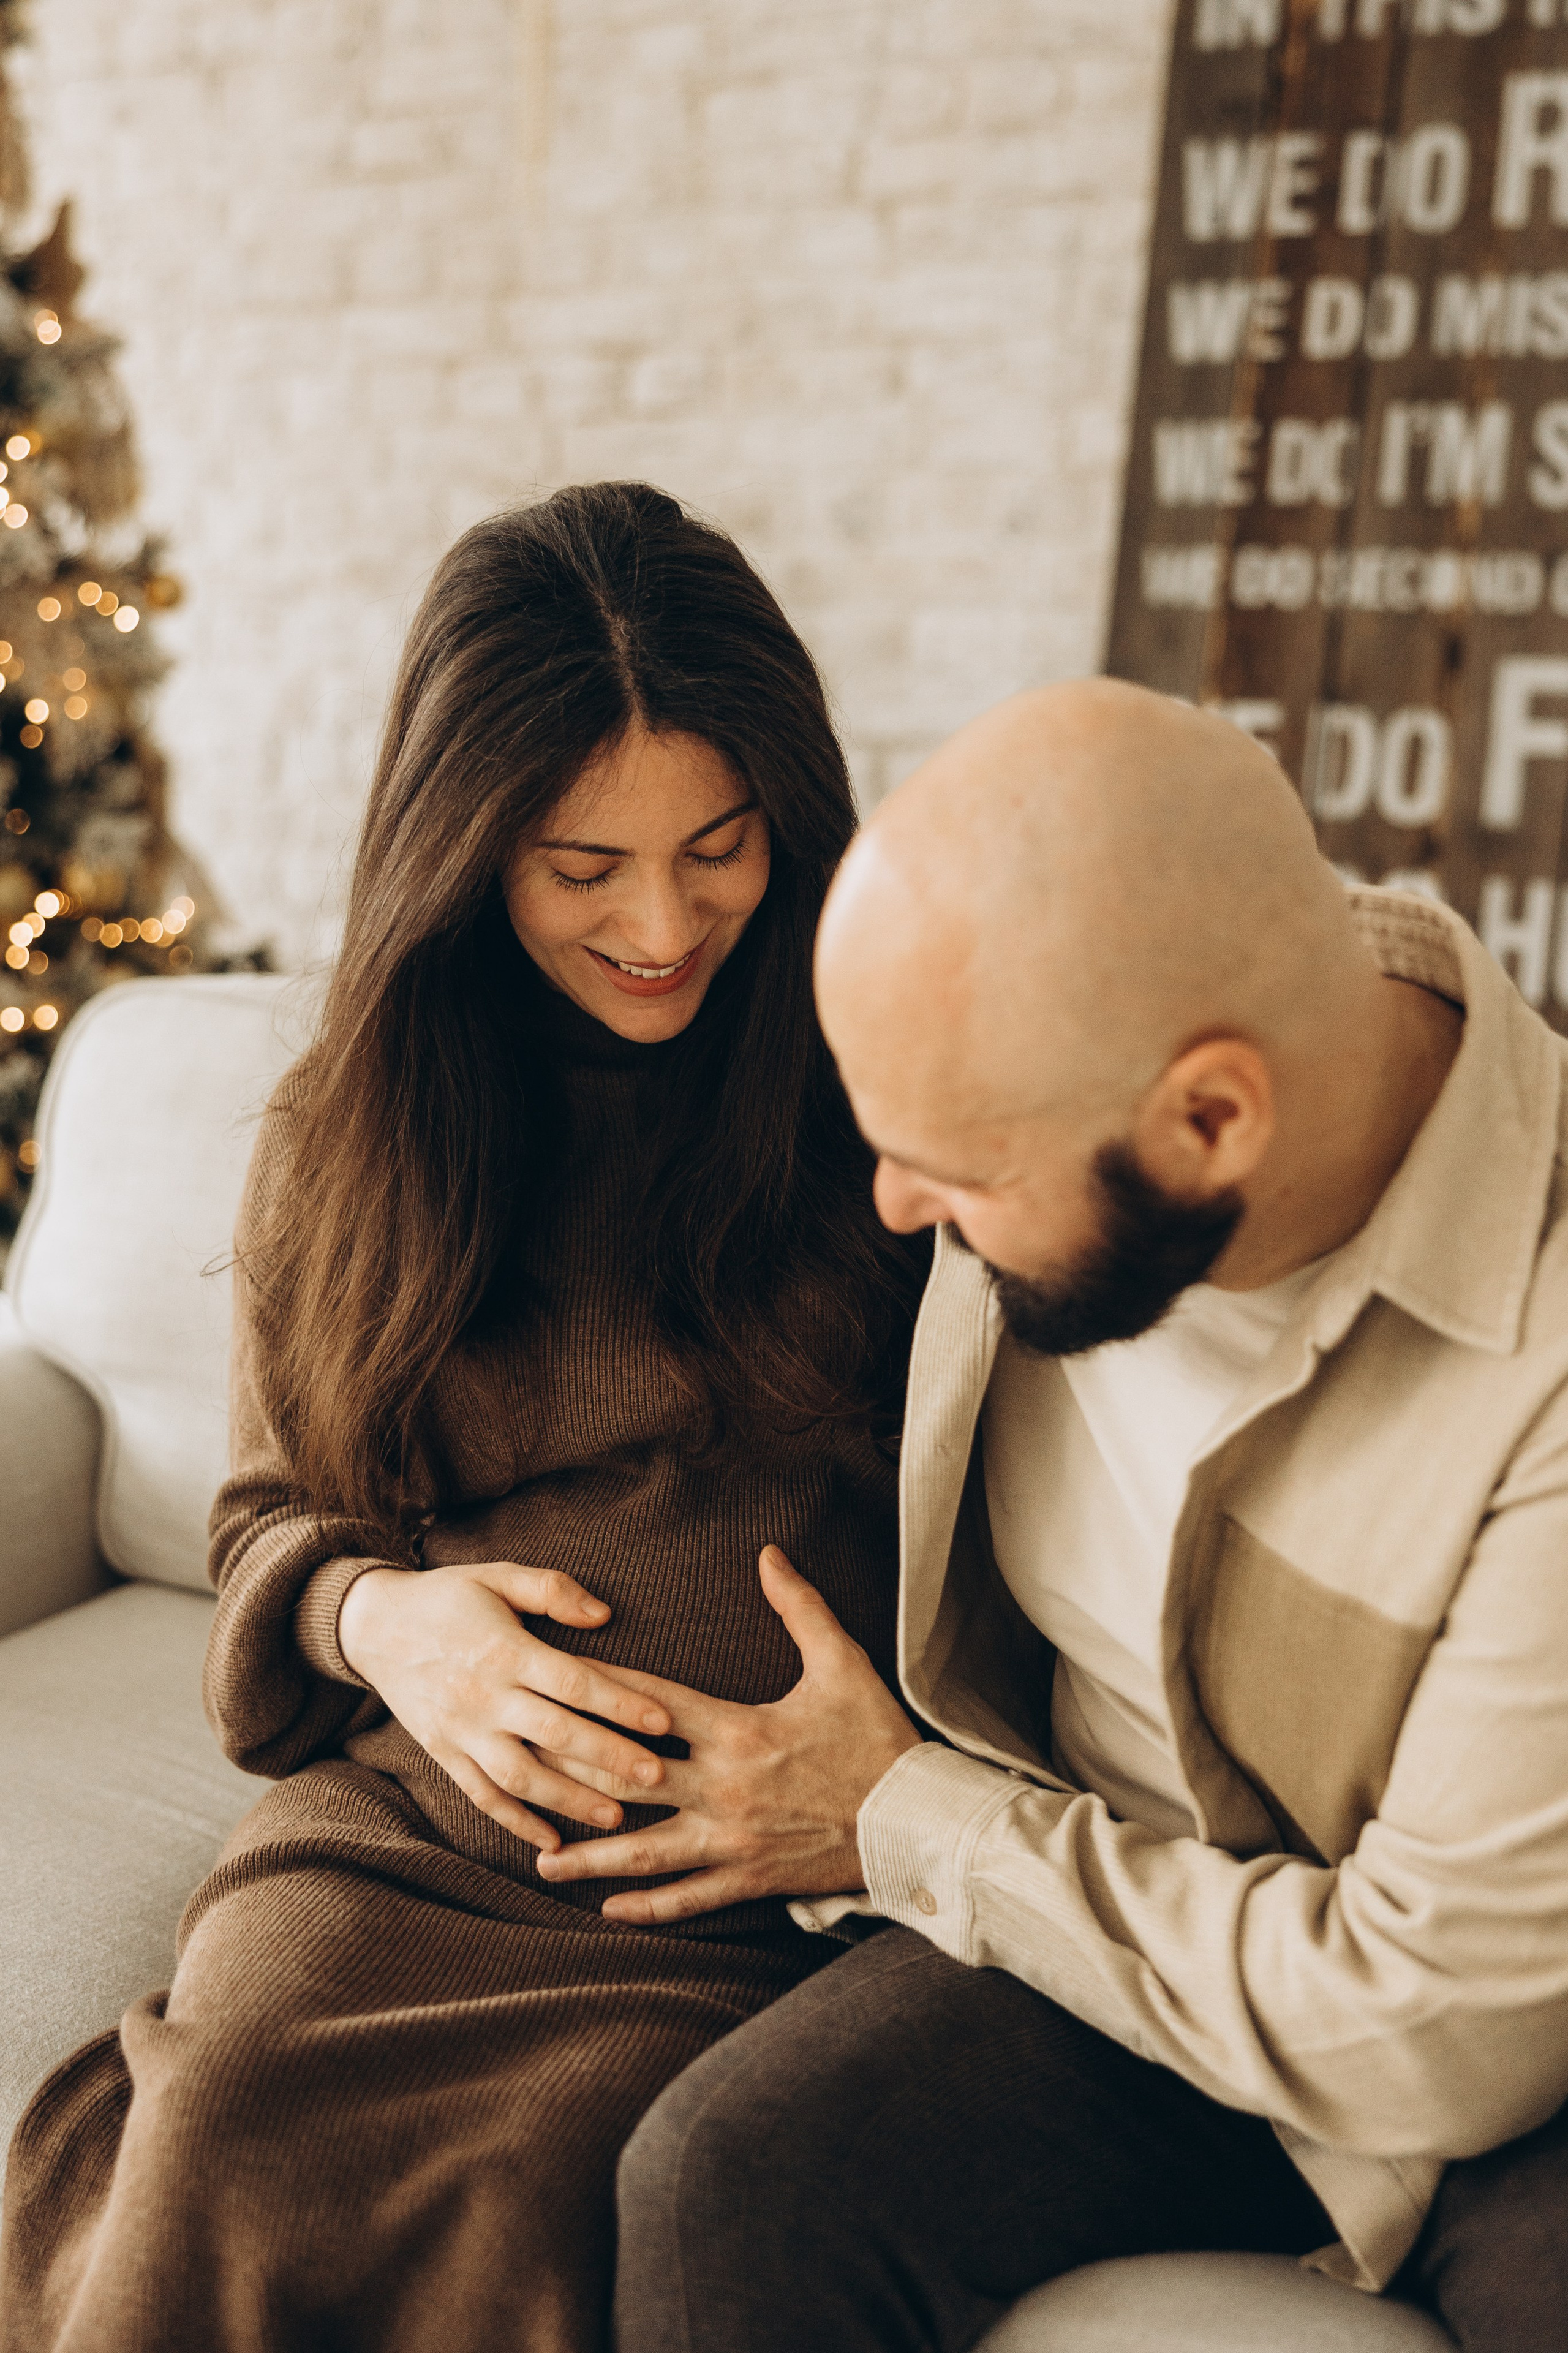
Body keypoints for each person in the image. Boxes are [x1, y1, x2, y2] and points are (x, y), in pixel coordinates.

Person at [0, 483, 930, 2353]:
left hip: (735, 1880)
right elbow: (266, 1517)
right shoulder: (356, 1126)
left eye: (721, 845)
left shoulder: (884, 1085)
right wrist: (380, 1619)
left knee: (541, 2210)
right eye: (585, 867)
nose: (665, 922)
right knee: (222, 2141)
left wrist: (885, 1782)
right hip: (406, 1835)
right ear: (468, 845)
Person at [528, 682, 1568, 2352]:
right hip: (1116, 1937)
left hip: (1497, 2024)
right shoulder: (1036, 1063)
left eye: (953, 1170)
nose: (893, 1209)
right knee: (721, 2177)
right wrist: (361, 1600)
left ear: (1213, 1120)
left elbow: (1429, 2033)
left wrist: (914, 1819)